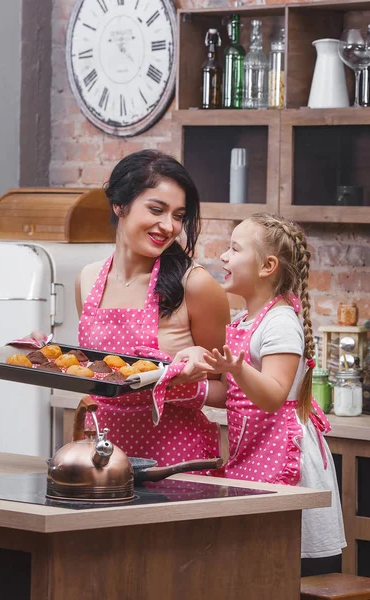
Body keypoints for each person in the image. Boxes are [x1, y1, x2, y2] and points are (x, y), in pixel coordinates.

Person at [175, 213, 346, 575]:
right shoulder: (244, 321)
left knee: (291, 566)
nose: (223, 257)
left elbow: (271, 395)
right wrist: (189, 387)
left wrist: (236, 368)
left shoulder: (281, 321)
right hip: (254, 454)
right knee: (260, 565)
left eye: (234, 249)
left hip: (287, 458)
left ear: (267, 266)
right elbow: (235, 395)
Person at [75, 149, 230, 465]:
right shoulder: (88, 279)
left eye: (177, 215)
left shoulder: (195, 286)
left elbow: (232, 390)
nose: (168, 226)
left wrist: (176, 386)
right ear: (120, 204)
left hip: (174, 463)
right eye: (157, 210)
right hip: (100, 458)